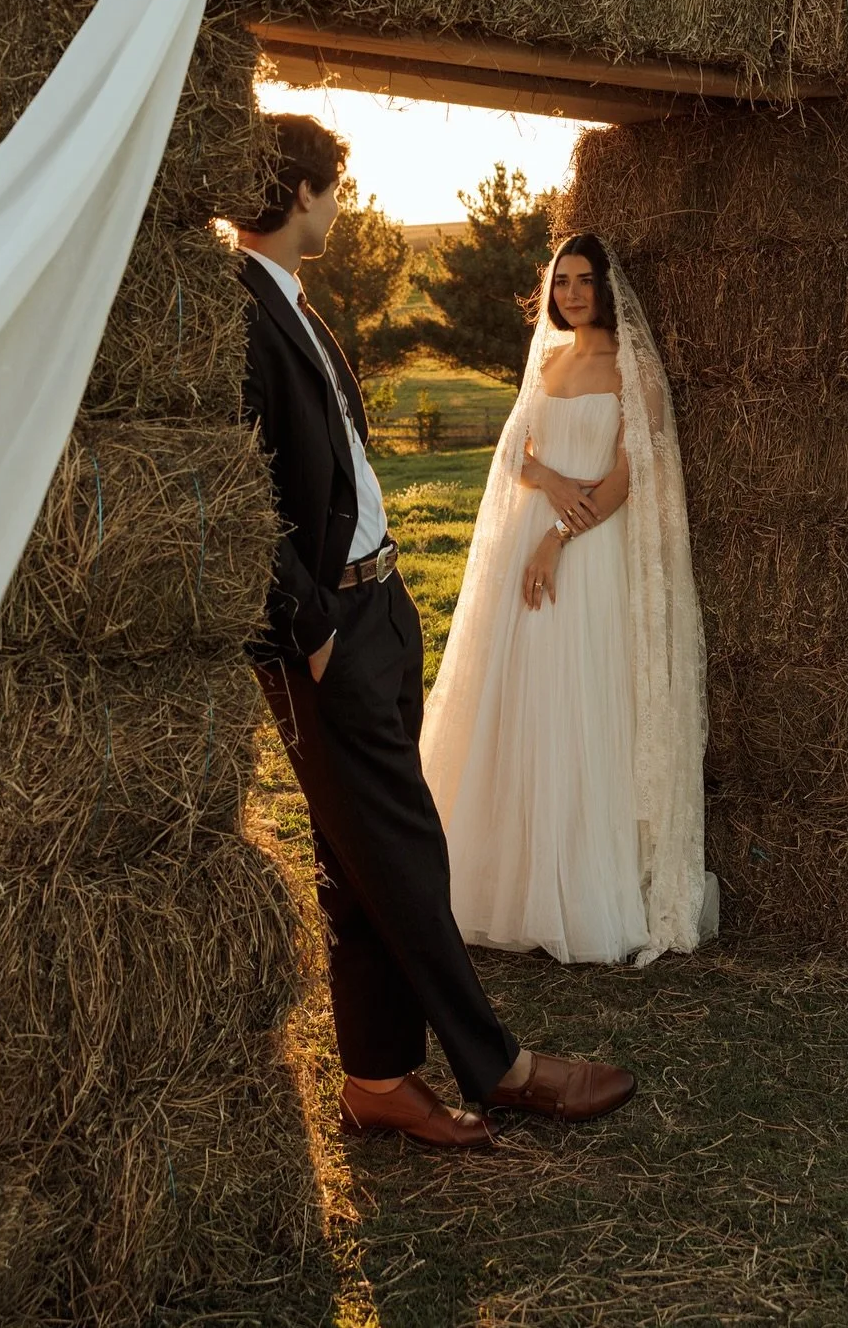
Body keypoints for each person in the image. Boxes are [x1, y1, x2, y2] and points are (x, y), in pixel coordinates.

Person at [235, 117, 637, 1149]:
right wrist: (312, 627)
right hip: (330, 626)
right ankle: (496, 1063)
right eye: (334, 187)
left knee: (360, 853)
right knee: (406, 844)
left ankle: (375, 1075)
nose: (342, 205)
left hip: (379, 605)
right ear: (301, 189)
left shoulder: (297, 307)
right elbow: (231, 485)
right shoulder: (240, 310)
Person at [421, 233, 716, 966]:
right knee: (522, 704)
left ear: (607, 289)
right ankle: (508, 884)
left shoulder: (630, 367)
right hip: (532, 546)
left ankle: (581, 890)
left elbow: (626, 475)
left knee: (578, 706)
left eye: (584, 281)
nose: (572, 294)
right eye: (562, 282)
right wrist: (549, 482)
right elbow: (516, 453)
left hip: (586, 555)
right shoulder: (548, 359)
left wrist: (557, 536)